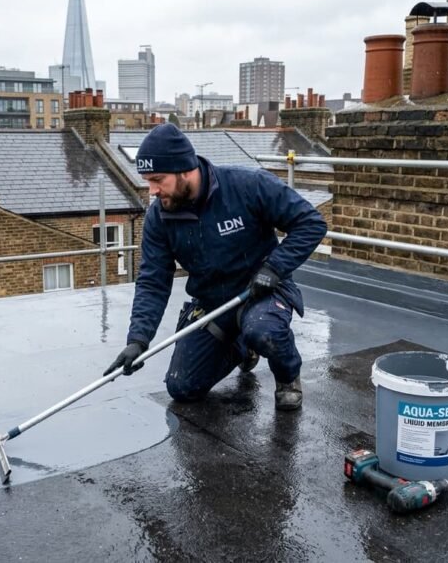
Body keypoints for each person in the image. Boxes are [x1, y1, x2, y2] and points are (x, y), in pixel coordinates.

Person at [103, 123, 327, 410]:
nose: (153, 190)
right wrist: (138, 339)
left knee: (263, 330)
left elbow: (310, 223)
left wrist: (274, 268)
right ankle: (242, 347)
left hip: (262, 292)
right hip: (213, 303)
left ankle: (287, 376)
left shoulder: (247, 185)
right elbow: (153, 280)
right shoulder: (160, 217)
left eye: (158, 180)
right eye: (148, 181)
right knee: (182, 387)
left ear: (185, 169)